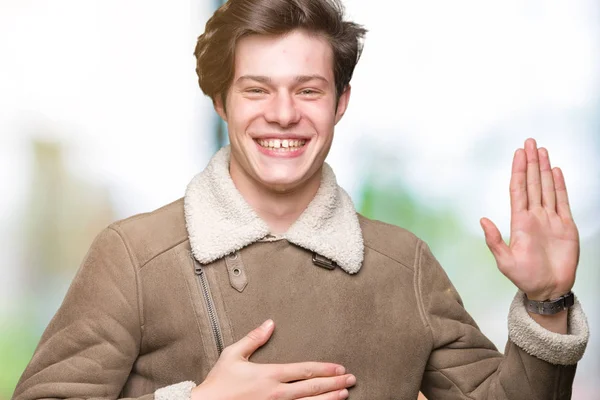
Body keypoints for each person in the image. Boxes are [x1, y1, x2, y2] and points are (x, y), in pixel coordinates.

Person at [13, 0, 589, 399]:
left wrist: (546, 300)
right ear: (221, 102)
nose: (283, 114)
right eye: (256, 89)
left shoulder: (403, 265)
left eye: (308, 90)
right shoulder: (134, 256)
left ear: (341, 102)